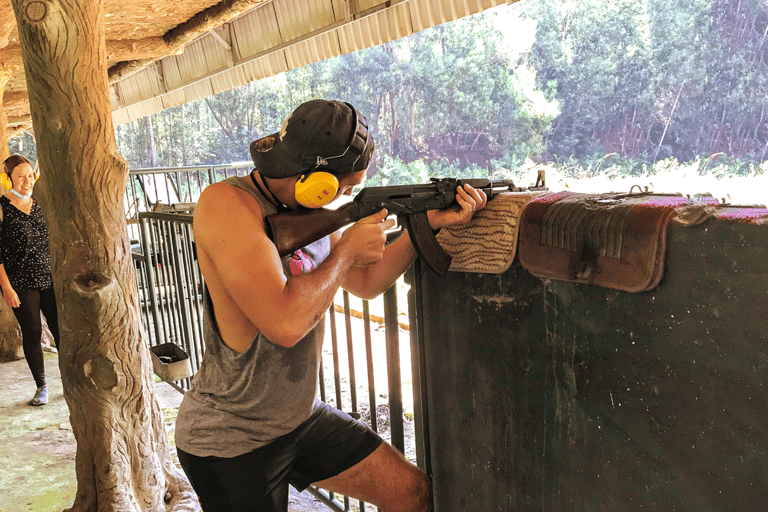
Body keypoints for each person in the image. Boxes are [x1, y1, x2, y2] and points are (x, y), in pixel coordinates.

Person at [174, 99, 487, 512]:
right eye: (344, 187)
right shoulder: (227, 204)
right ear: (315, 179)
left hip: (296, 417)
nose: (346, 195)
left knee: (411, 493)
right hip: (230, 439)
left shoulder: (313, 212)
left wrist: (424, 226)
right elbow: (285, 324)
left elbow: (365, 282)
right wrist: (346, 252)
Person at [0, 155, 60, 406]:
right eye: (20, 176)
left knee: (60, 329)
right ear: (8, 179)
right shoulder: (2, 207)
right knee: (32, 332)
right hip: (20, 281)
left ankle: (71, 381)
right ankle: (42, 386)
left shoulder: (41, 202)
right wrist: (6, 287)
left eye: (30, 175)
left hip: (49, 276)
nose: (27, 180)